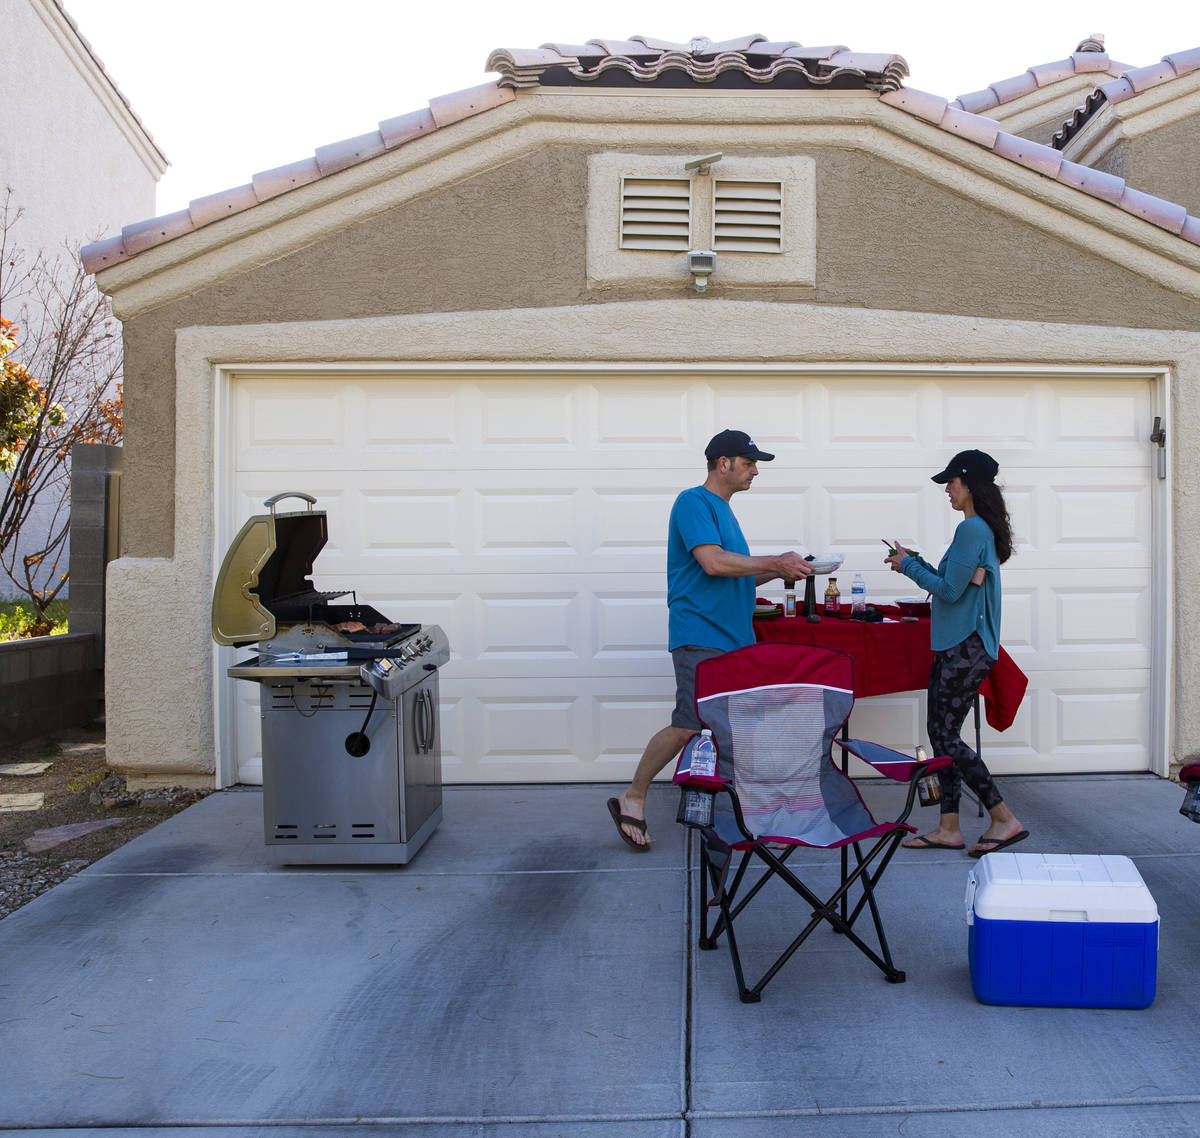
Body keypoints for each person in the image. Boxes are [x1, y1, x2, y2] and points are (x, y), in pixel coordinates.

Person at [607, 429, 814, 850]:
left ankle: (741, 811)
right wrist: (774, 560)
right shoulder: (693, 502)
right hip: (700, 634)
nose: (756, 471)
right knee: (687, 726)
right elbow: (714, 564)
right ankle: (634, 796)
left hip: (735, 637)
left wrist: (778, 570)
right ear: (724, 463)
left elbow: (734, 573)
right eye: (750, 462)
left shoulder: (724, 510)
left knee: (737, 727)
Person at [884, 449, 1027, 858]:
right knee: (941, 735)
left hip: (965, 645)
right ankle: (949, 827)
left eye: (952, 481)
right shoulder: (976, 531)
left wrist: (906, 568)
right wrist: (915, 561)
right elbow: (954, 581)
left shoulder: (973, 531)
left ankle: (1003, 818)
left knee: (946, 736)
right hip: (957, 644)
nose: (948, 488)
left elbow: (947, 591)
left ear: (970, 484)